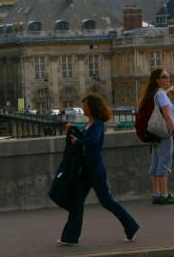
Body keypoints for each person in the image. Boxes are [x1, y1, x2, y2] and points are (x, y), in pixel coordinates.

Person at [59, 93, 139, 245]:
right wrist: (73, 128)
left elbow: (93, 140)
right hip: (86, 170)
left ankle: (131, 226)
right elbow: (86, 136)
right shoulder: (90, 123)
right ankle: (70, 237)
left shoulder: (98, 124)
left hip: (95, 169)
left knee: (106, 201)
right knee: (76, 201)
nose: (83, 108)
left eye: (85, 106)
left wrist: (77, 142)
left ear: (92, 108)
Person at [137, 69, 174, 205]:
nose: (168, 78)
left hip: (154, 134)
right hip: (164, 133)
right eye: (164, 77)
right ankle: (164, 195)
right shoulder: (160, 94)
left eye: (168, 76)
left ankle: (156, 194)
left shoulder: (153, 93)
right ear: (157, 79)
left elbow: (159, 101)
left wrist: (168, 92)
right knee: (164, 165)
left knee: (155, 164)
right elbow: (167, 116)